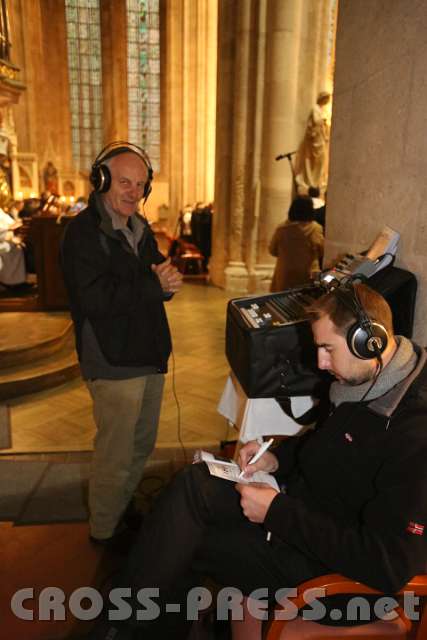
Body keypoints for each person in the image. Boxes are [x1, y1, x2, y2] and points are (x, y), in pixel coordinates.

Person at [86, 282, 427, 639]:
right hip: (299, 521)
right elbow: (328, 448)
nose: (321, 363)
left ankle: (120, 629)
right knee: (195, 483)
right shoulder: (360, 384)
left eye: (327, 349)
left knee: (184, 542)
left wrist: (276, 512)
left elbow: (388, 563)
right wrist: (275, 460)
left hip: (337, 579)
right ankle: (125, 627)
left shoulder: (414, 431)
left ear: (366, 340)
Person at [60, 141, 183, 545]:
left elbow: (154, 274)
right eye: (124, 183)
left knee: (140, 445)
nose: (134, 192)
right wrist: (153, 285)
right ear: (101, 180)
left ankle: (121, 507)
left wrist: (167, 284)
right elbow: (96, 299)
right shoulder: (82, 233)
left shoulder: (139, 228)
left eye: (140, 185)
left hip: (147, 353)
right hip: (113, 359)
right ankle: (104, 534)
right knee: (115, 454)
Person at [269, 196, 324, 291]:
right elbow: (321, 250)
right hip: (306, 276)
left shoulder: (282, 229)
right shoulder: (315, 229)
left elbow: (272, 250)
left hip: (284, 276)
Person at [294, 91, 331, 196]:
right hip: (316, 139)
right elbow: (315, 120)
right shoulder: (315, 108)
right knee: (316, 160)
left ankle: (317, 182)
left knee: (322, 160)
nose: (326, 102)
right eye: (326, 100)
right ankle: (311, 182)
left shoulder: (322, 110)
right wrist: (323, 119)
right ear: (322, 99)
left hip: (321, 138)